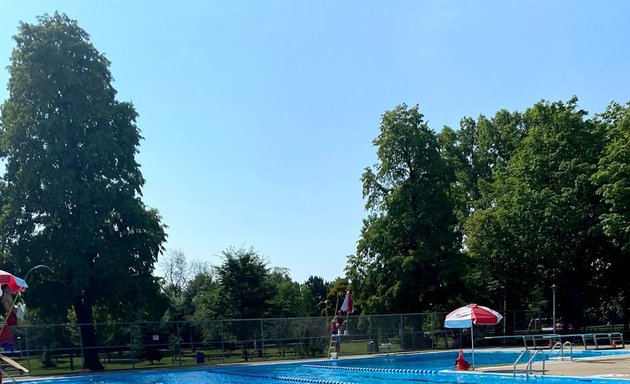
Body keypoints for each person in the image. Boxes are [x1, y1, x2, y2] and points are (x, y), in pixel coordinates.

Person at [0, 284, 17, 350]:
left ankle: (12, 346)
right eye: (8, 288)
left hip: (12, 315)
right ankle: (11, 347)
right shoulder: (6, 297)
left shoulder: (9, 296)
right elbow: (8, 309)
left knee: (13, 331)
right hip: (10, 315)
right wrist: (13, 308)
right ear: (5, 289)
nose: (10, 289)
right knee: (12, 331)